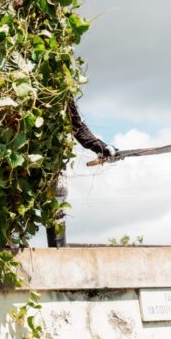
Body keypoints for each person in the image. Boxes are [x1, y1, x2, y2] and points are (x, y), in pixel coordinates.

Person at [46, 99, 116, 248]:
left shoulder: (57, 84)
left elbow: (76, 124)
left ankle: (57, 253)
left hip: (51, 158)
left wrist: (100, 147)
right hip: (10, 156)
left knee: (58, 193)